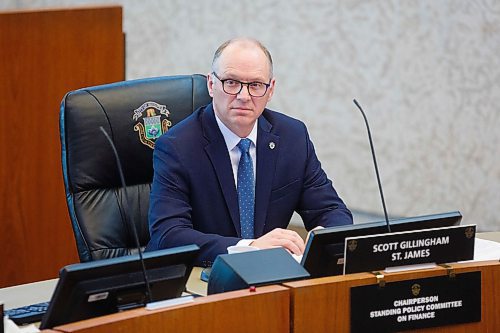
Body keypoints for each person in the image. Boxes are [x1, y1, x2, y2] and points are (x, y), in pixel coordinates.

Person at [146, 37, 352, 266]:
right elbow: (168, 236)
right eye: (232, 82)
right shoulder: (177, 146)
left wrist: (320, 243)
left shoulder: (292, 137)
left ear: (270, 89)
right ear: (211, 85)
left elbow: (332, 210)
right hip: (205, 279)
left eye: (255, 85)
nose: (244, 96)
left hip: (271, 278)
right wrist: (249, 248)